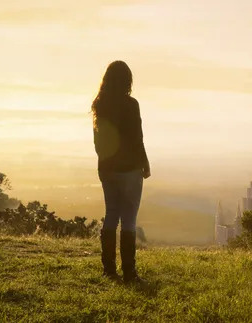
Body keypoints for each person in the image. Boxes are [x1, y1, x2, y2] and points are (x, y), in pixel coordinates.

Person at [91, 60, 151, 284]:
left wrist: (104, 164)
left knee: (111, 216)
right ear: (128, 81)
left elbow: (98, 142)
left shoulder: (100, 105)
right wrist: (144, 163)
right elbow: (137, 138)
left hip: (107, 169)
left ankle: (108, 270)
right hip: (130, 169)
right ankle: (129, 273)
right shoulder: (131, 105)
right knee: (128, 220)